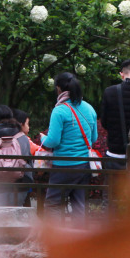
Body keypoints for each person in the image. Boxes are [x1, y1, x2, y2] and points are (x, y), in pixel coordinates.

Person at [40, 72, 97, 218]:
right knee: (79, 205)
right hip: (84, 164)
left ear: (58, 88)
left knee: (53, 204)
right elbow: (94, 138)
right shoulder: (89, 108)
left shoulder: (59, 110)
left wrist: (42, 139)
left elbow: (53, 141)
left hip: (63, 165)